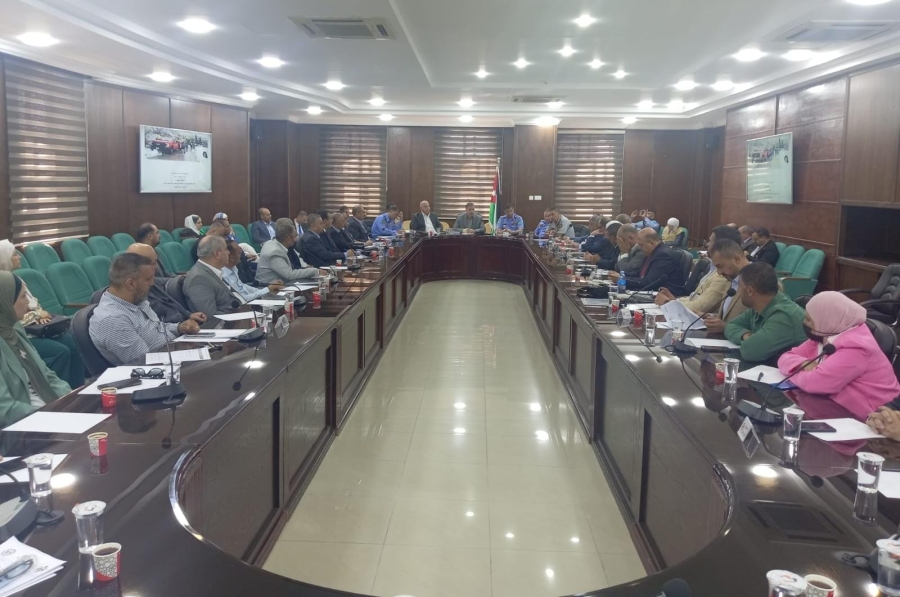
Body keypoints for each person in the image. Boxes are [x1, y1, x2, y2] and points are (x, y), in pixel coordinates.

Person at [777, 292, 899, 422]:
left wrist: (794, 372)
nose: (804, 323)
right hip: (837, 405)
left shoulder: (857, 347)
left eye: (808, 320)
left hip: (877, 417)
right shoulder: (826, 332)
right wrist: (803, 364)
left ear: (826, 319)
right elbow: (785, 357)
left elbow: (816, 384)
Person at [0, 240, 85, 389]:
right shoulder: (4, 285)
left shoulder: (17, 280)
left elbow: (35, 305)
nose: (19, 257)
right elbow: (8, 319)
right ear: (4, 258)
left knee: (73, 342)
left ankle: (77, 390)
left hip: (38, 328)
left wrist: (39, 314)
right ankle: (55, 391)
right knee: (61, 351)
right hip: (23, 333)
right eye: (14, 254)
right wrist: (36, 316)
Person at [90, 253, 201, 366]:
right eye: (148, 279)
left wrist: (179, 327)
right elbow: (146, 362)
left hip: (173, 353)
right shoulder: (112, 320)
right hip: (162, 369)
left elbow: (157, 328)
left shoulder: (137, 299)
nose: (152, 283)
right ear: (131, 284)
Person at [0, 271, 71, 427]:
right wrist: (48, 417)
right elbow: (4, 409)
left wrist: (71, 398)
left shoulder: (15, 329)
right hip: (23, 426)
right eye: (23, 296)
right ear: (5, 301)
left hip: (49, 412)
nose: (28, 301)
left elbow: (48, 376)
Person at [724, 262, 806, 363]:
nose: (738, 291)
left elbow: (750, 351)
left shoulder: (783, 316)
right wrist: (746, 335)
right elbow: (730, 326)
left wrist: (750, 340)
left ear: (750, 291)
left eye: (740, 287)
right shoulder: (757, 307)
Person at [126, 244, 206, 326]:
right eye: (153, 263)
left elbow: (169, 302)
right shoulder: (133, 295)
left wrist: (189, 315)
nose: (156, 266)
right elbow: (154, 326)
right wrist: (180, 327)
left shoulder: (152, 281)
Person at [656, 240, 730, 315]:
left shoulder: (722, 276)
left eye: (710, 241)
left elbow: (700, 307)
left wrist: (669, 303)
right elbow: (695, 298)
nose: (707, 244)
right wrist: (675, 300)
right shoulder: (714, 269)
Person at [609, 229, 686, 294]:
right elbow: (640, 273)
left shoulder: (663, 255)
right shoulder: (653, 252)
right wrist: (621, 275)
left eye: (641, 245)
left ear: (651, 243)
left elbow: (648, 282)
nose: (640, 248)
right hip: (652, 292)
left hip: (665, 295)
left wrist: (623, 280)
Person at [704, 239, 753, 333]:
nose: (719, 272)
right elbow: (729, 317)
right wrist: (712, 318)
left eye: (720, 266)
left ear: (737, 259)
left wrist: (725, 327)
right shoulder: (731, 279)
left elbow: (762, 328)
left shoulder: (761, 281)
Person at [183, 236, 237, 320]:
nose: (229, 252)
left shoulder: (212, 271)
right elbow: (210, 316)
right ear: (217, 254)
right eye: (226, 249)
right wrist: (238, 315)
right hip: (226, 324)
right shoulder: (198, 278)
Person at [257, 218, 322, 283]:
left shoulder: (273, 243)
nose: (296, 240)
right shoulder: (275, 252)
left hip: (282, 284)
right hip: (269, 286)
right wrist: (315, 271)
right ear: (288, 239)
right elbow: (289, 275)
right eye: (295, 236)